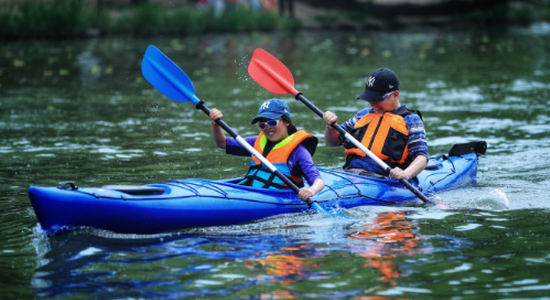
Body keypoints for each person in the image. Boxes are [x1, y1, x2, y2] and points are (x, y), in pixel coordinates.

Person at [322, 68, 428, 181]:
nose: (373, 104)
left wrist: (405, 174)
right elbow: (332, 142)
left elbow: (422, 157)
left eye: (378, 99)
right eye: (370, 99)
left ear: (395, 95)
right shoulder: (362, 115)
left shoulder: (411, 120)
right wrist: (331, 126)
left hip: (382, 178)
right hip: (351, 173)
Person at [209, 98, 325, 200]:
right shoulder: (256, 142)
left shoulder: (298, 152)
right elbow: (222, 143)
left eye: (272, 122)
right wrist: (215, 124)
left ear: (287, 122)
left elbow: (318, 181)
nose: (267, 127)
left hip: (279, 199)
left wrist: (311, 191)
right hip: (249, 194)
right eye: (262, 125)